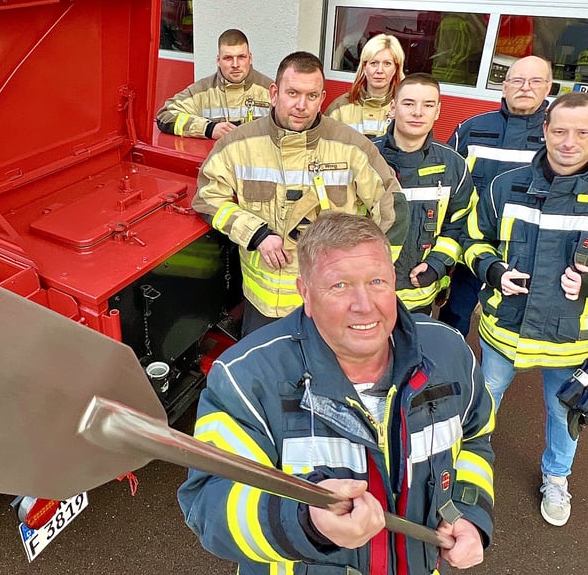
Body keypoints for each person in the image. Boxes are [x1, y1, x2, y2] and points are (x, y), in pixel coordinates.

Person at [178, 212, 495, 574]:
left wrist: (469, 514)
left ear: (393, 281)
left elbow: (474, 439)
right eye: (339, 286)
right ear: (306, 295)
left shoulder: (449, 351)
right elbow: (208, 504)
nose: (364, 304)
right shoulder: (247, 378)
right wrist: (306, 523)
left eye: (376, 281)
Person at [461, 91, 588, 527]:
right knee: (482, 404)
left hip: (571, 341)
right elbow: (472, 240)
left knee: (563, 414)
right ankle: (465, 472)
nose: (568, 142)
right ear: (545, 131)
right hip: (505, 331)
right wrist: (493, 270)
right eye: (559, 130)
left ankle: (557, 477)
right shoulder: (505, 186)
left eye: (581, 132)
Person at [192, 51, 410, 336]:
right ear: (274, 93)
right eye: (292, 93)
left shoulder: (352, 147)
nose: (301, 105)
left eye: (311, 96)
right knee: (265, 378)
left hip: (332, 304)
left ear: (322, 98)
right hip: (265, 307)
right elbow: (207, 198)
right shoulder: (237, 144)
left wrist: (367, 275)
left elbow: (393, 209)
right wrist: (256, 234)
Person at [438, 55, 553, 337]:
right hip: (472, 240)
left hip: (523, 248)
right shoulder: (472, 129)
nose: (525, 87)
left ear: (548, 88)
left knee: (510, 321)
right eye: (517, 80)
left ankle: (494, 376)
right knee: (456, 309)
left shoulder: (556, 136)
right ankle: (450, 363)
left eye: (535, 81)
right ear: (504, 87)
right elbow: (446, 180)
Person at [376, 73, 475, 314]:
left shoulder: (454, 166)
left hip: (419, 298)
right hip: (367, 295)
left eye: (427, 105)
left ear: (438, 111)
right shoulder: (366, 158)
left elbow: (461, 224)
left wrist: (437, 264)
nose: (418, 112)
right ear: (393, 107)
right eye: (409, 103)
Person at [155, 29, 273, 140]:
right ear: (218, 61)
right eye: (228, 58)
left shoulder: (271, 90)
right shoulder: (201, 91)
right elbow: (165, 116)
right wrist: (209, 129)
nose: (235, 64)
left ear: (250, 58)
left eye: (241, 57)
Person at [325, 33, 406, 139]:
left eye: (387, 64)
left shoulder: (405, 108)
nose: (380, 71)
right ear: (364, 67)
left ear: (396, 68)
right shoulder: (339, 108)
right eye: (374, 63)